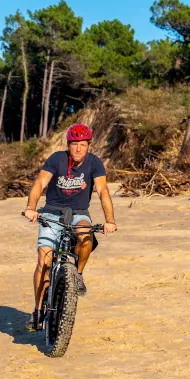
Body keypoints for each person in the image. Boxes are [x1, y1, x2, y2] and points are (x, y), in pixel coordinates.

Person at [23, 123, 117, 330]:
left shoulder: (94, 163)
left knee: (85, 234)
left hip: (79, 214)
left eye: (82, 145)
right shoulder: (57, 159)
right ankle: (38, 311)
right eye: (74, 144)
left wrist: (110, 220)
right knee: (44, 261)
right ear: (68, 145)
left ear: (89, 146)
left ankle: (78, 275)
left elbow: (102, 191)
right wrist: (31, 207)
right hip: (52, 213)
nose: (78, 149)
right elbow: (40, 183)